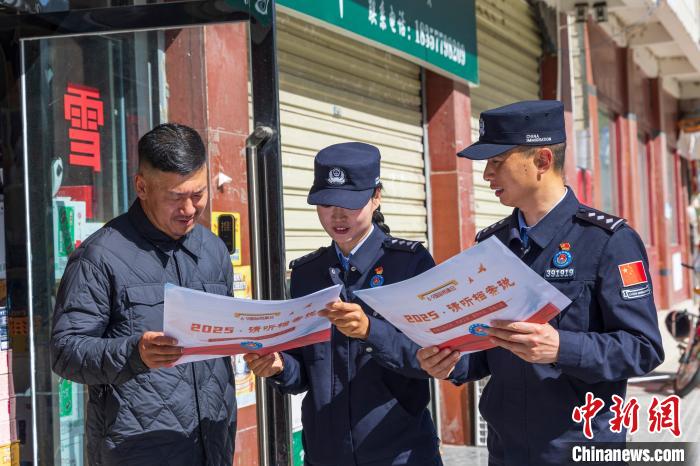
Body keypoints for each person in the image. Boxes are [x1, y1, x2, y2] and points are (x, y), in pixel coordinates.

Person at [416, 101, 664, 466]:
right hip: (506, 451)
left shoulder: (608, 241)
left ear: (542, 161)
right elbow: (487, 347)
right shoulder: (493, 245)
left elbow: (644, 348)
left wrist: (562, 347)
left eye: (497, 161)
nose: (486, 174)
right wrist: (450, 362)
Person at [244, 142, 443, 466]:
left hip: (400, 454)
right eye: (326, 204)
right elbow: (305, 370)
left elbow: (433, 358)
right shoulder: (308, 273)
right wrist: (279, 366)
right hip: (326, 454)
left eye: (350, 203)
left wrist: (370, 331)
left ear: (376, 196)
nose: (337, 215)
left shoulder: (409, 264)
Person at [50, 123, 237, 466]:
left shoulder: (213, 250)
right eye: (176, 197)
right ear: (142, 187)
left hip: (213, 445)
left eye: (198, 194)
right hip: (136, 452)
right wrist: (134, 353)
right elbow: (65, 352)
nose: (189, 209)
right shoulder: (100, 256)